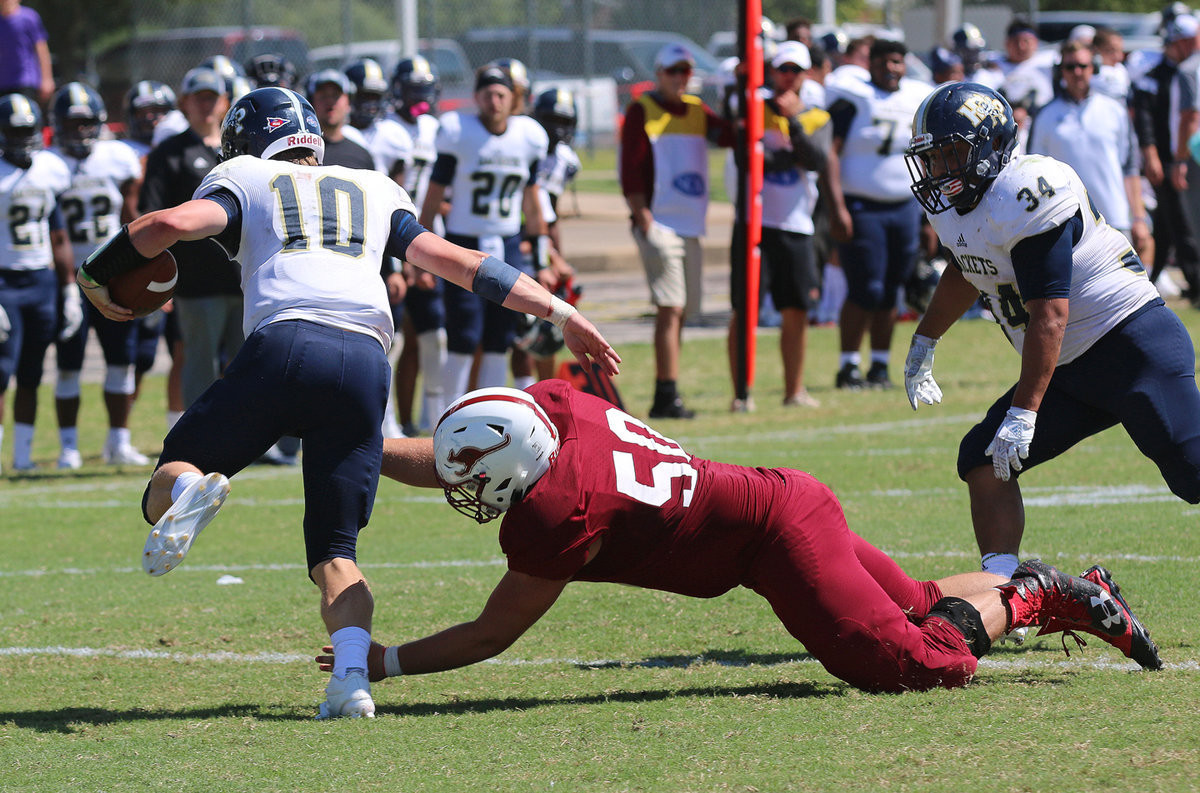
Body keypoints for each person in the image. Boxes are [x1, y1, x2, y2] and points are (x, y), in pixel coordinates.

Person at [76, 86, 619, 718]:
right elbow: (463, 264)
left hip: (283, 344)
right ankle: (352, 680)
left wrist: (96, 273)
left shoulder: (245, 176)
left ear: (248, 142)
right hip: (364, 360)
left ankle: (191, 490)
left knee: (167, 480)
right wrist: (560, 312)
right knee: (336, 551)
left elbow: (165, 226)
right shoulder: (374, 186)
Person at [316, 382, 1162, 696]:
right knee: (916, 607)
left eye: (475, 481)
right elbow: (454, 455)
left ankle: (1042, 591)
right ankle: (1053, 586)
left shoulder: (555, 513)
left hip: (773, 542)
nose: (462, 488)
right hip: (785, 497)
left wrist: (386, 661)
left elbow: (491, 633)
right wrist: (353, 446)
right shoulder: (553, 409)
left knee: (913, 663)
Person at [902, 81, 1200, 583]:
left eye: (952, 154)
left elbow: (1050, 314)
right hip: (1065, 366)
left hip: (1129, 346)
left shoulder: (1028, 190)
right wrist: (924, 341)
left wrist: (1023, 412)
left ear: (990, 147)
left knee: (1193, 475)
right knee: (983, 459)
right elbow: (967, 266)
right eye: (933, 158)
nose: (939, 171)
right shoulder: (956, 204)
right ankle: (1002, 592)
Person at [417, 65, 550, 402]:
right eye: (487, 94)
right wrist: (419, 255)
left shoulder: (528, 137)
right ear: (476, 97)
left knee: (500, 337)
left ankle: (489, 414)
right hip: (464, 243)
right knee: (463, 335)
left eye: (501, 94)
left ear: (513, 98)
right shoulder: (459, 132)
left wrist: (543, 259)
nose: (494, 101)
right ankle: (446, 419)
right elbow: (432, 198)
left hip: (508, 243)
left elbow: (533, 206)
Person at [620, 43, 733, 419]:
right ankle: (666, 394)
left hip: (690, 225)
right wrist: (643, 218)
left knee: (685, 311)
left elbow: (732, 135)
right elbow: (631, 169)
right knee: (671, 308)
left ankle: (668, 390)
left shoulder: (698, 110)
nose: (679, 78)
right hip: (660, 223)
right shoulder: (643, 110)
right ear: (659, 73)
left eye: (685, 71)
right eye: (673, 71)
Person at [48, 82, 148, 468]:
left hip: (114, 272)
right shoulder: (47, 162)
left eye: (86, 123)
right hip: (71, 275)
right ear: (57, 125)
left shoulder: (117, 157)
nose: (80, 131)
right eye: (72, 123)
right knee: (69, 363)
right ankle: (69, 447)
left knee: (121, 359)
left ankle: (118, 442)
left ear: (100, 123)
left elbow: (131, 210)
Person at [727, 41, 830, 410]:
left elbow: (817, 158)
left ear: (805, 75)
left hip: (797, 224)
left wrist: (794, 124)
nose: (788, 78)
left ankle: (794, 390)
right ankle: (742, 393)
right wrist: (786, 155)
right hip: (755, 223)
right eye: (782, 69)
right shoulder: (753, 107)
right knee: (745, 309)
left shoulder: (817, 115)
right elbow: (748, 158)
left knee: (796, 310)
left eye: (795, 71)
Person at [824, 38, 932, 390]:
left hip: (904, 207)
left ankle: (881, 365)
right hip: (861, 206)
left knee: (892, 289)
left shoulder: (915, 99)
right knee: (865, 288)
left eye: (898, 61)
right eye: (884, 61)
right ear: (869, 64)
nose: (891, 68)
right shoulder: (852, 98)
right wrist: (836, 206)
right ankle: (848, 365)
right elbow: (831, 155)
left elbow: (928, 160)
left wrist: (929, 216)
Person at [139, 67, 240, 409]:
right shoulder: (169, 152)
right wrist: (156, 276)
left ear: (226, 101)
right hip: (195, 282)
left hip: (243, 276)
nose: (207, 106)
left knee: (248, 366)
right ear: (184, 103)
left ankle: (251, 442)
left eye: (213, 98)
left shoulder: (242, 150)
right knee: (198, 364)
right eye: (199, 99)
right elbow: (150, 215)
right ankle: (198, 445)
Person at [0, 92, 71, 472]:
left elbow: (58, 236)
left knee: (31, 372)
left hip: (42, 280)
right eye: (14, 131)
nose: (22, 137)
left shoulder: (49, 169)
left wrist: (69, 289)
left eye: (26, 130)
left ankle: (23, 457)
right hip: (4, 282)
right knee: (1, 371)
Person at [1027, 41, 1149, 255]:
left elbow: (1129, 168)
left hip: (1114, 220)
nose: (1077, 72)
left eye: (1083, 66)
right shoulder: (1045, 115)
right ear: (1060, 71)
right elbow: (1032, 175)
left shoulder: (1115, 111)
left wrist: (1138, 217)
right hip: (1065, 223)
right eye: (1070, 67)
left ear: (1094, 68)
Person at [390, 55, 446, 435]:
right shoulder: (385, 132)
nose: (420, 99)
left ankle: (433, 418)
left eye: (424, 90)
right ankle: (391, 421)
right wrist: (403, 264)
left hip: (427, 239)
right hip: (391, 242)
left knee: (432, 336)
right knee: (389, 339)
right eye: (413, 90)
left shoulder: (434, 128)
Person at [1133, 13, 1200, 301]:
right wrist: (1151, 156)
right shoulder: (1153, 77)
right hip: (1168, 158)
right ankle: (1198, 283)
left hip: (1184, 157)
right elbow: (1146, 121)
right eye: (1183, 41)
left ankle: (1147, 280)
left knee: (1166, 225)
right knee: (1182, 222)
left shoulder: (1190, 70)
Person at [0, 0, 54, 105]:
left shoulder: (29, 18)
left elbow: (42, 51)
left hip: (25, 81)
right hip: (3, 82)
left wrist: (47, 79)